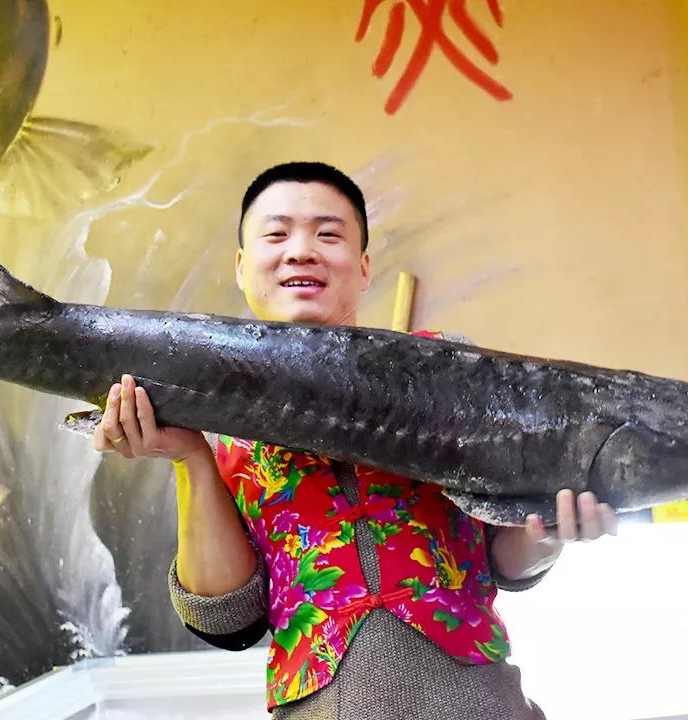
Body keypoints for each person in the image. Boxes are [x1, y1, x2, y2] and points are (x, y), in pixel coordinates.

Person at [92, 162, 617, 719]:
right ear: (243, 268)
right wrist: (190, 457)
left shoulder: (447, 369)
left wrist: (550, 530)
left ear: (364, 266)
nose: (300, 250)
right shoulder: (212, 419)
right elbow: (228, 617)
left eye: (328, 233)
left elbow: (506, 561)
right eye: (276, 234)